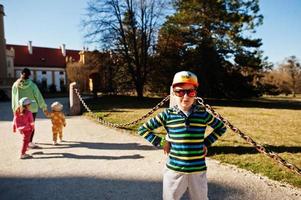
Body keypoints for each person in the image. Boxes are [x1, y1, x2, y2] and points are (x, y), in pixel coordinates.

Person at [137, 71, 227, 200]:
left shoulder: (203, 114)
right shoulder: (167, 114)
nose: (185, 97)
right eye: (180, 92)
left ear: (195, 92)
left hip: (198, 170)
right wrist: (162, 141)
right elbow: (143, 129)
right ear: (173, 92)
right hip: (174, 170)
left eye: (190, 92)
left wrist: (206, 143)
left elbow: (221, 127)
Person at [11, 68, 48, 149]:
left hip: (20, 108)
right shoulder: (32, 85)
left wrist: (14, 109)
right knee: (31, 125)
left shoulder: (15, 85)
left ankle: (26, 140)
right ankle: (29, 142)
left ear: (21, 74)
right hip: (32, 108)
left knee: (24, 125)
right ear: (29, 75)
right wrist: (43, 107)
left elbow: (13, 98)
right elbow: (38, 96)